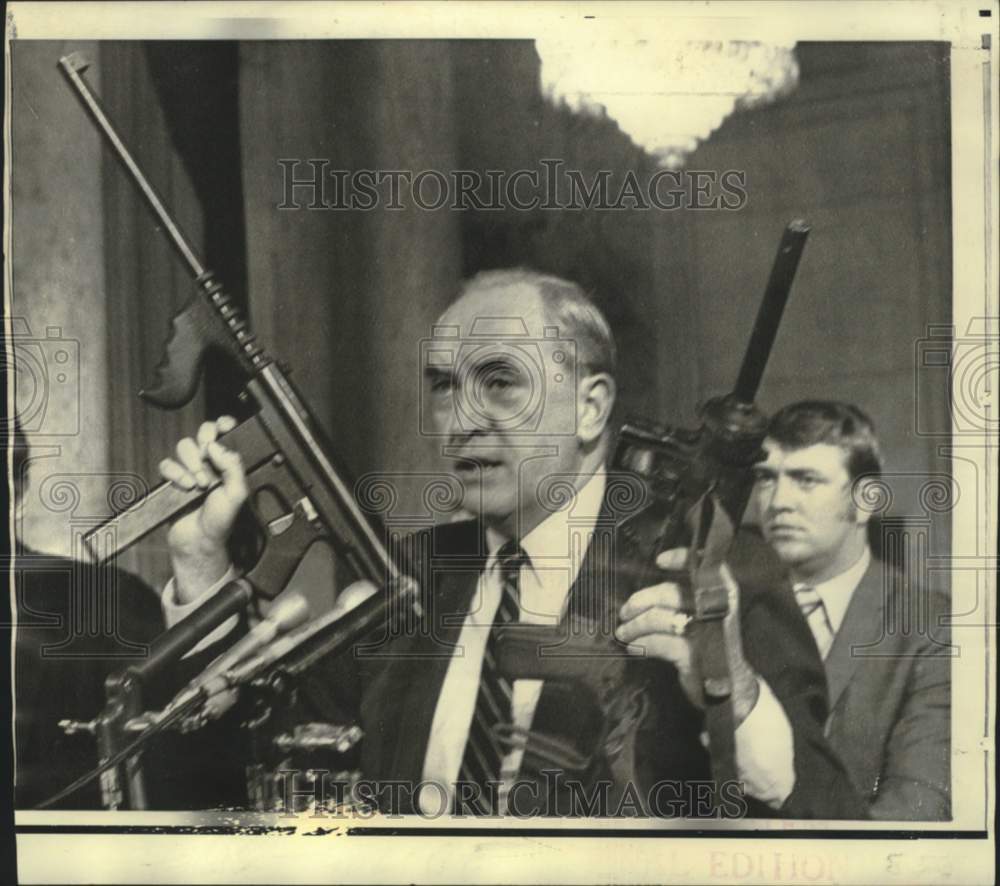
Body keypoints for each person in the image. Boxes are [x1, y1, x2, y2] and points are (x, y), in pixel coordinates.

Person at [156, 269, 866, 818]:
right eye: (442, 388)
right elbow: (247, 766)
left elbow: (834, 823)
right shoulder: (409, 577)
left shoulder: (711, 571)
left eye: (500, 383)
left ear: (590, 407)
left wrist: (731, 691)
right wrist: (199, 564)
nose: (460, 421)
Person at [751, 400, 950, 820]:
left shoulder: (933, 629)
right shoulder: (737, 612)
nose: (777, 501)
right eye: (766, 479)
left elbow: (916, 814)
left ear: (865, 501)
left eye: (806, 480)